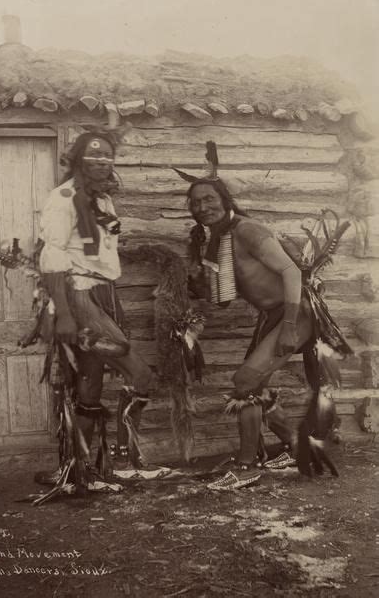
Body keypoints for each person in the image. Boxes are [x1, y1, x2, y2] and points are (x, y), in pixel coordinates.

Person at [174, 141, 351, 491]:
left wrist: (288, 326)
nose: (202, 206)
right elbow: (223, 299)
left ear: (225, 200)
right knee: (255, 384)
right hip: (272, 315)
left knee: (245, 382)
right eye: (196, 202)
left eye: (209, 199)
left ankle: (246, 466)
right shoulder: (217, 240)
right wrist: (193, 283)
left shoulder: (246, 230)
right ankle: (294, 447)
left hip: (295, 312)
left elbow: (290, 272)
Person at [36, 127, 170, 491]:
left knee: (90, 385)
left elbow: (100, 253)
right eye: (94, 157)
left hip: (104, 293)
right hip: (79, 295)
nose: (103, 163)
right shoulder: (63, 198)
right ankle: (128, 462)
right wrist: (63, 312)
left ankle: (78, 471)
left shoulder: (102, 201)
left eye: (108, 156)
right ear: (77, 159)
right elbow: (53, 258)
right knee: (140, 374)